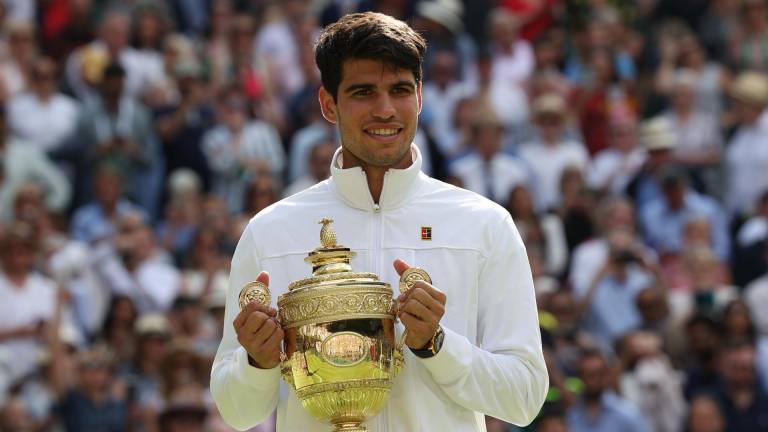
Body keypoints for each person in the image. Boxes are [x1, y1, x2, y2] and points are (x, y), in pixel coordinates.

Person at [211, 12, 548, 431]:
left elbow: (525, 397)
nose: (385, 110)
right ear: (328, 104)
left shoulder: (484, 225)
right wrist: (256, 363)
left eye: (400, 90)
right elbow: (235, 411)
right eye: (363, 92)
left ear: (420, 98)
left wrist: (436, 345)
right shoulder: (270, 231)